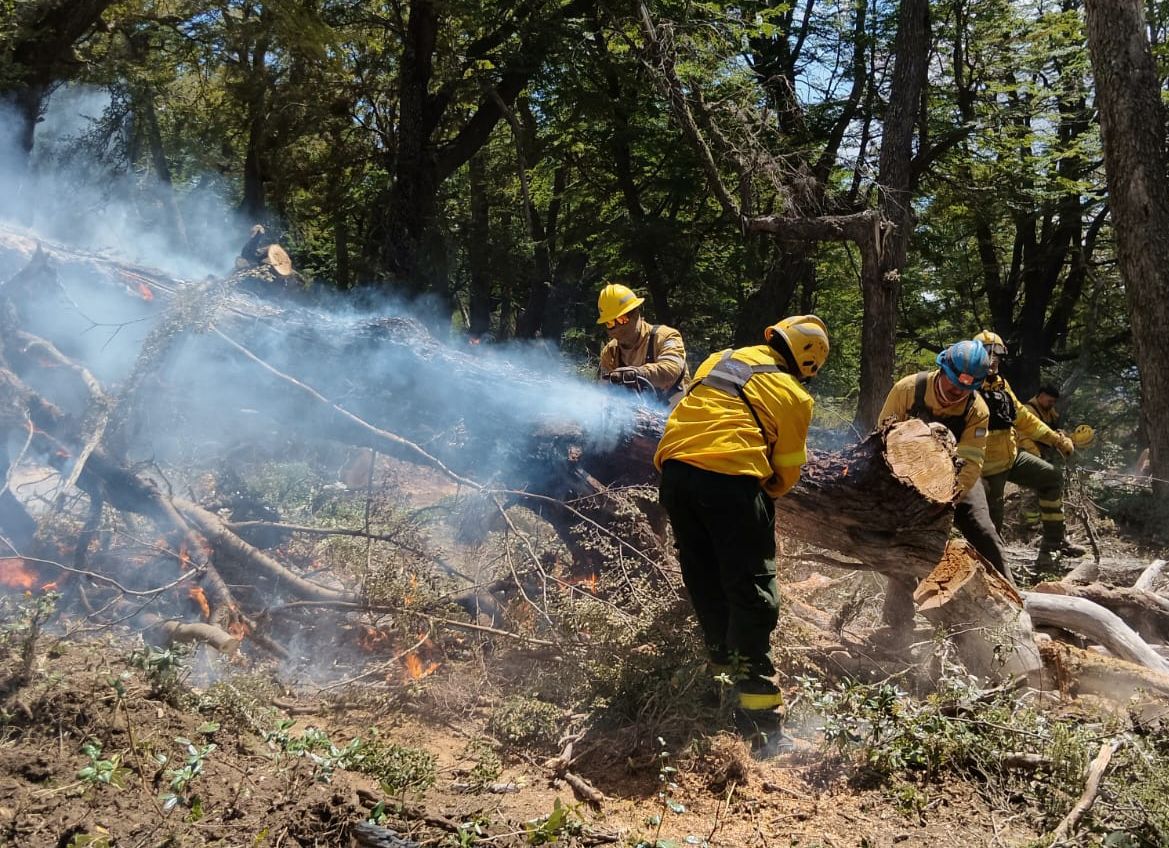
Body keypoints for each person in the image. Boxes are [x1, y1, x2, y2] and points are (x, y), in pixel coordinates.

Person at [655, 315, 829, 755]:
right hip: (730, 482)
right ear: (809, 362)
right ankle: (761, 725)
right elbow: (786, 472)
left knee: (705, 580)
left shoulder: (719, 359)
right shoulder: (794, 395)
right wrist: (758, 493)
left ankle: (719, 684)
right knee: (752, 592)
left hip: (674, 478)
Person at [877, 340, 1014, 583]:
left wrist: (947, 499)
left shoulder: (977, 409)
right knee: (905, 539)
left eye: (967, 387)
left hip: (955, 479)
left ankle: (1011, 597)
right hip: (904, 475)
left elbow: (971, 462)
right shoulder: (908, 390)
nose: (958, 391)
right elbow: (882, 440)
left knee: (983, 529)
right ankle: (897, 616)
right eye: (954, 383)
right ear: (942, 369)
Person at [971, 331, 1082, 571]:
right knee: (990, 525)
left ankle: (1052, 544)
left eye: (997, 355)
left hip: (1011, 456)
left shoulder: (1001, 384)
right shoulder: (966, 386)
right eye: (988, 354)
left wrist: (1056, 440)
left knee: (1051, 476)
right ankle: (990, 572)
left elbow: (1022, 417)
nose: (993, 360)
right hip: (985, 467)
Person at [597, 283, 690, 406]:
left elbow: (672, 370)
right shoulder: (610, 352)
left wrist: (637, 373)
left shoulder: (665, 336)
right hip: (638, 419)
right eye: (610, 323)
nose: (616, 327)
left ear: (636, 314)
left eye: (621, 319)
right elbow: (604, 391)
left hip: (678, 416)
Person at [1018, 383, 1062, 462]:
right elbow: (1023, 438)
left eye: (1054, 401)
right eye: (1050, 401)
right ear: (1042, 396)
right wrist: (1038, 457)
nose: (1052, 404)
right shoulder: (1028, 412)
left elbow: (1056, 429)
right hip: (1031, 455)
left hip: (1046, 454)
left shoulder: (1049, 410)